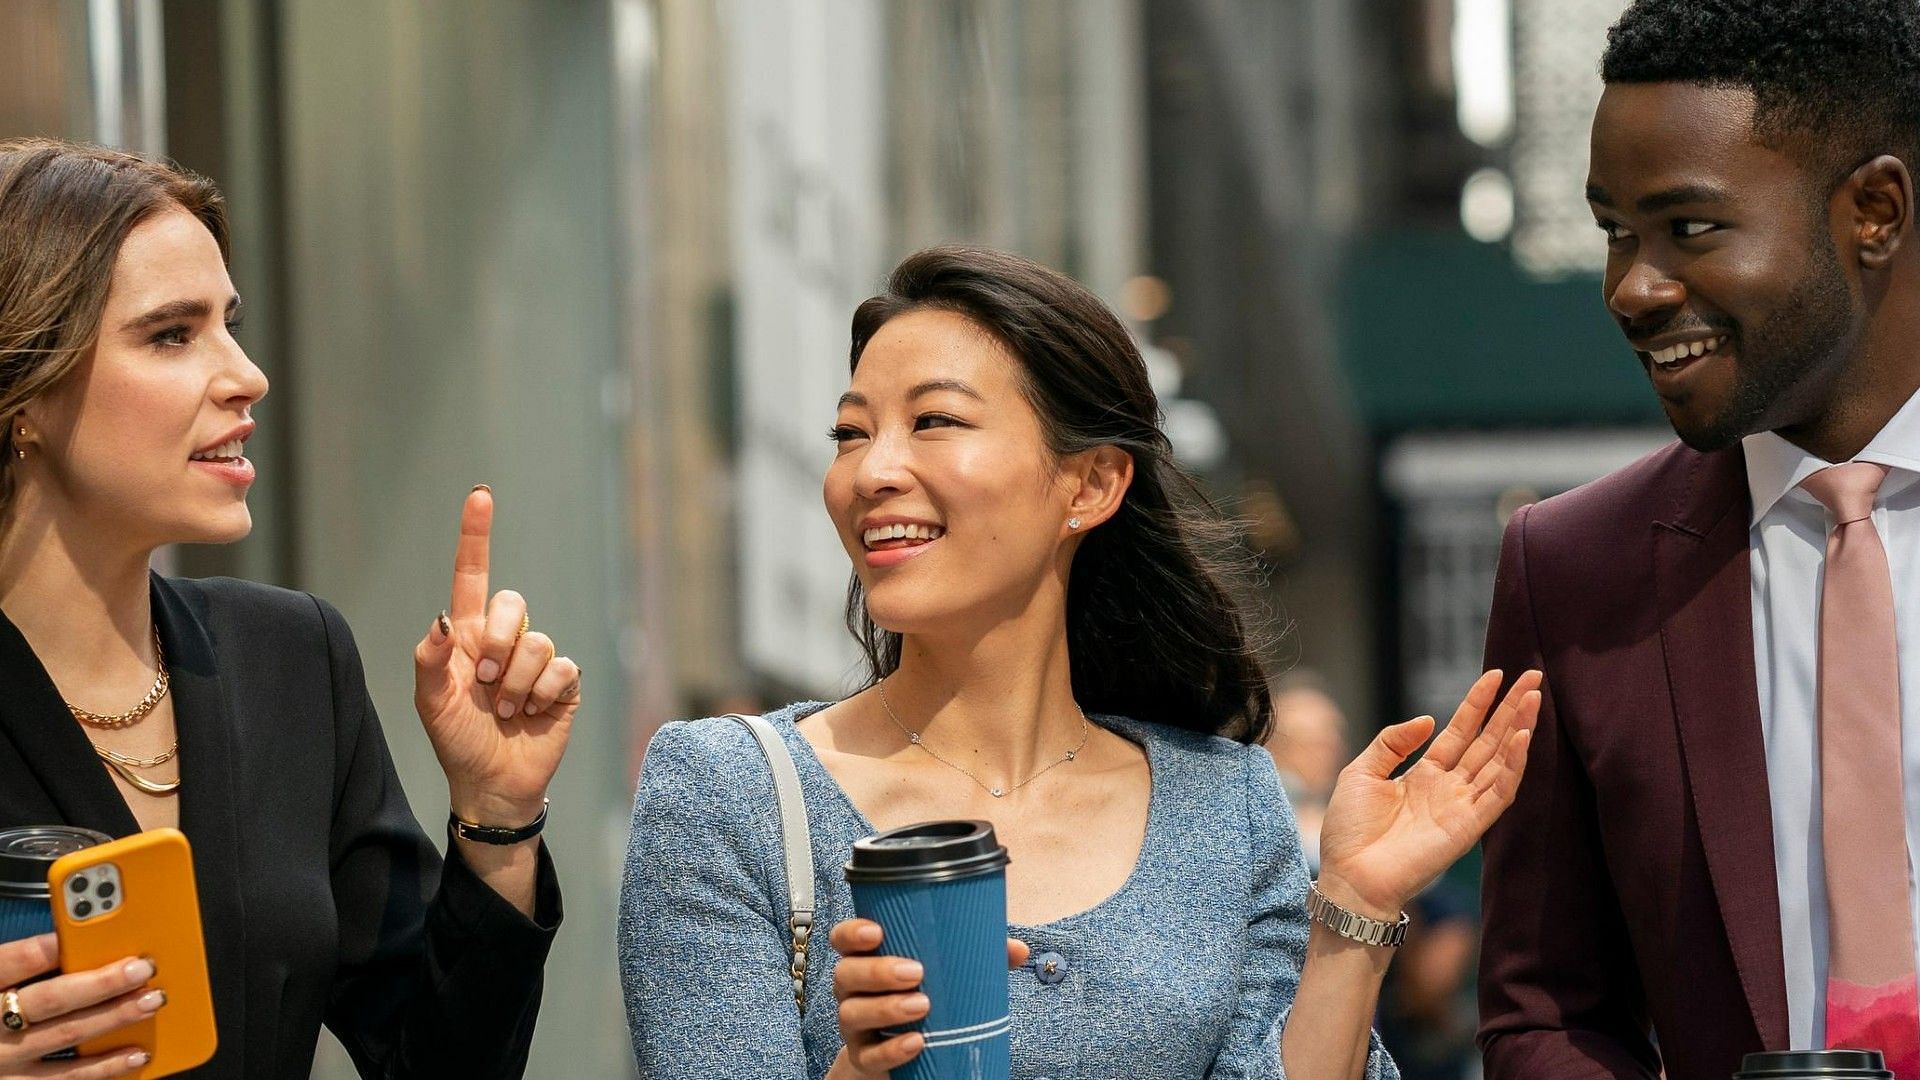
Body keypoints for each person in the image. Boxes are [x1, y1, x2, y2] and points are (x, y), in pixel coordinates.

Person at [621, 245, 1541, 1079]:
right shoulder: (726, 793)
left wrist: (1354, 905)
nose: (871, 472)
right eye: (851, 433)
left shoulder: (1226, 805)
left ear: (1091, 483)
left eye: (934, 421)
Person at [0, 138, 578, 1078]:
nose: (246, 374)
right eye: (171, 334)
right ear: (23, 389)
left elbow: (440, 1064)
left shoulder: (290, 659)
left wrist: (496, 815)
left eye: (229, 323)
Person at [1477, 3, 1920, 1078]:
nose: (1632, 287)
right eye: (1616, 232)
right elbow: (1543, 1010)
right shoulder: (1575, 570)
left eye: (1689, 227)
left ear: (1873, 210)